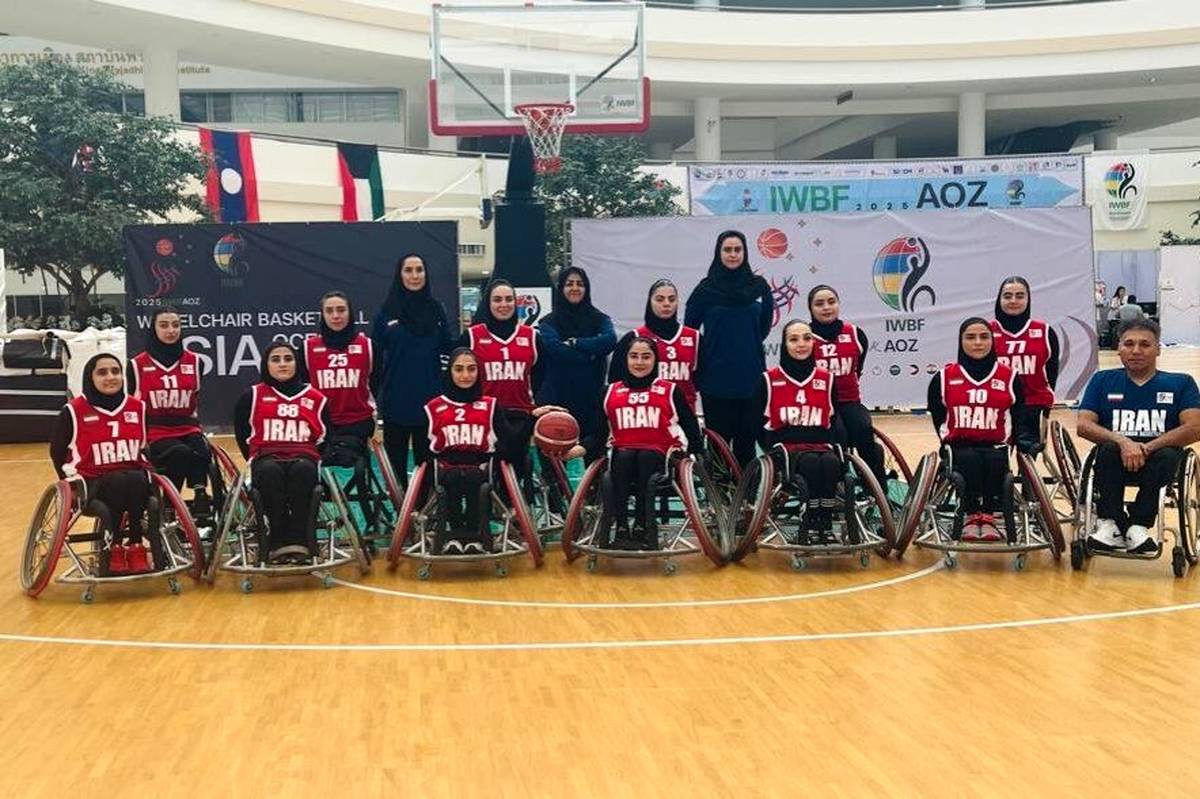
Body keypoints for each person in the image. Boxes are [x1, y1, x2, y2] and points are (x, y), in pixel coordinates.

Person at [1077, 319, 1200, 555]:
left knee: (1167, 454)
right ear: (1119, 348)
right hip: (1114, 461)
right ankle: (1110, 524)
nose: (1136, 350)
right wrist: (1123, 441)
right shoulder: (1102, 380)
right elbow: (1083, 425)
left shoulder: (1181, 383)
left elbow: (1195, 427)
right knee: (1108, 449)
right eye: (1129, 344)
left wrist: (1147, 447)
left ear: (1158, 349)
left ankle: (1138, 526)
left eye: (1145, 344)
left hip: (1160, 462)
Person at [426, 348, 563, 553]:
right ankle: (454, 535)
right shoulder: (434, 406)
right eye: (459, 369)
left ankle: (475, 537)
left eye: (472, 369)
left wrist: (532, 417)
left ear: (479, 372)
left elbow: (512, 442)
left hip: (481, 467)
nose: (465, 375)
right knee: (451, 478)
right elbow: (426, 452)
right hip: (446, 468)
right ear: (450, 372)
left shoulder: (490, 405)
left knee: (474, 478)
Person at [580, 337, 703, 551]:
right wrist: (578, 449)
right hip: (623, 456)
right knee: (625, 455)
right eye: (634, 356)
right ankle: (621, 527)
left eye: (646, 357)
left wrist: (697, 454)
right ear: (625, 359)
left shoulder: (670, 390)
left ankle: (642, 524)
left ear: (655, 360)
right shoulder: (609, 392)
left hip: (662, 457)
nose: (639, 362)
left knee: (645, 456)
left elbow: (691, 427)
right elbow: (598, 434)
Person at [50, 353, 154, 575]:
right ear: (90, 377)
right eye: (102, 372)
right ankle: (114, 547)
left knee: (136, 478)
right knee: (118, 481)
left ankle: (136, 545)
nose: (111, 377)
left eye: (116, 371)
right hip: (91, 481)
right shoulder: (73, 410)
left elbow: (144, 448)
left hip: (131, 478)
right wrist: (68, 484)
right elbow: (57, 452)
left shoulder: (138, 407)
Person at [926, 318, 1027, 542]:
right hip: (959, 446)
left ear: (992, 340)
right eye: (970, 337)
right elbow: (938, 416)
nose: (978, 343)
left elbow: (1017, 415)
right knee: (969, 459)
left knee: (995, 460)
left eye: (984, 337)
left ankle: (989, 516)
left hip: (995, 445)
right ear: (960, 341)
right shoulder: (943, 377)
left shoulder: (1009, 377)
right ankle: (971, 516)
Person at [233, 342, 332, 565]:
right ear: (266, 365)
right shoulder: (252, 396)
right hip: (266, 456)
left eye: (288, 358)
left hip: (303, 455)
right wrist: (257, 456)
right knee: (269, 471)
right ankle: (275, 539)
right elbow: (243, 435)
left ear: (297, 363)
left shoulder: (316, 397)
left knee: (304, 470)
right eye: (275, 359)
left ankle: (301, 539)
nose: (282, 364)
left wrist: (309, 454)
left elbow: (325, 436)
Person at [684, 230, 773, 466]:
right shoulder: (704, 290)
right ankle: (720, 490)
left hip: (751, 379)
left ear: (745, 252)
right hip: (715, 380)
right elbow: (690, 333)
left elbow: (763, 328)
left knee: (746, 445)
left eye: (737, 249)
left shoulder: (759, 287)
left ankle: (747, 488)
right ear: (718, 253)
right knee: (719, 447)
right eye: (727, 250)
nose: (733, 254)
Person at [751, 320, 839, 544]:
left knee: (831, 463)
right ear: (784, 344)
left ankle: (825, 523)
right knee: (810, 463)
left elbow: (833, 420)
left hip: (820, 444)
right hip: (785, 447)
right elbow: (756, 424)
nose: (801, 344)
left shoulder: (827, 379)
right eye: (794, 339)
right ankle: (809, 522)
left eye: (807, 338)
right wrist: (771, 450)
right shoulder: (768, 380)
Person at [371, 253, 454, 490]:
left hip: (431, 402)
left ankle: (426, 511)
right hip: (396, 401)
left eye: (419, 270)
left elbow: (449, 347)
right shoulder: (385, 313)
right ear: (400, 275)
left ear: (426, 274)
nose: (415, 275)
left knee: (428, 467)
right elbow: (374, 358)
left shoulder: (437, 309)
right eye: (408, 270)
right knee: (396, 470)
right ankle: (402, 512)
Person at [128, 307, 214, 523]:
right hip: (154, 430)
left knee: (201, 449)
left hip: (187, 426)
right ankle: (169, 503)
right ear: (154, 328)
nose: (171, 330)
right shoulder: (137, 365)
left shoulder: (195, 361)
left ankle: (200, 494)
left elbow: (195, 398)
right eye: (164, 325)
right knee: (179, 453)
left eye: (176, 325)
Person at [463, 279, 545, 476]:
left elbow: (541, 375)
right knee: (487, 471)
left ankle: (522, 491)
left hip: (520, 413)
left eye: (509, 299)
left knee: (517, 467)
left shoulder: (531, 336)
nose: (503, 304)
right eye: (497, 299)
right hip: (484, 414)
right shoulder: (472, 336)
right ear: (488, 303)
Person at [807, 285, 886, 486]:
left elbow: (857, 369)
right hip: (818, 406)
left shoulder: (856, 334)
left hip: (848, 400)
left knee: (863, 428)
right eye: (819, 304)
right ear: (811, 309)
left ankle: (877, 488)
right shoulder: (805, 338)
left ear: (838, 304)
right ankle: (837, 485)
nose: (826, 307)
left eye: (831, 302)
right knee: (838, 434)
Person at [536, 266, 616, 447]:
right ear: (561, 288)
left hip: (591, 395)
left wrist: (575, 343)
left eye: (580, 284)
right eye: (569, 284)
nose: (575, 288)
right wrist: (590, 355)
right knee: (556, 448)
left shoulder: (600, 318)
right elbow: (554, 348)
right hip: (558, 396)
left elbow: (609, 341)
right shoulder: (548, 322)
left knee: (591, 449)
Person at [610, 279, 701, 412]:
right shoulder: (633, 338)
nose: (666, 304)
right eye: (660, 299)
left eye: (671, 299)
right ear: (650, 302)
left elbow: (701, 380)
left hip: (684, 414)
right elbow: (616, 382)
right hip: (645, 414)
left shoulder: (694, 337)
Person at [989, 276, 1060, 447]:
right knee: (996, 458)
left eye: (1020, 296)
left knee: (1028, 454)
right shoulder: (986, 332)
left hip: (1033, 405)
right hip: (995, 406)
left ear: (1028, 299)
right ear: (999, 299)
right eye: (1007, 296)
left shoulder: (1045, 332)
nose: (1013, 301)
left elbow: (1052, 372)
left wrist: (1045, 405)